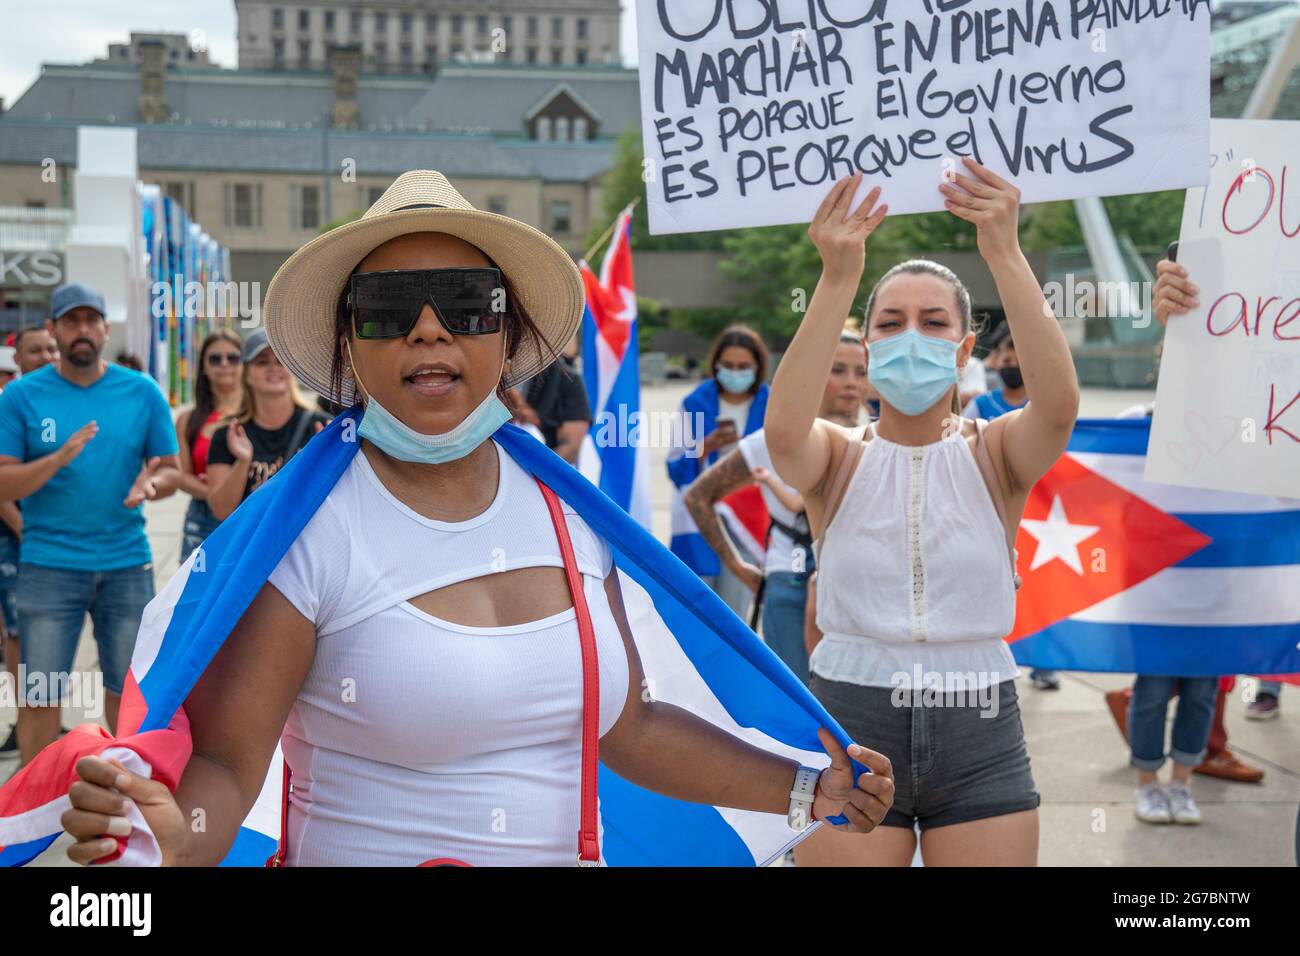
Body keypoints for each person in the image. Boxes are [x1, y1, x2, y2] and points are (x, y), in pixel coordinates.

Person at [56, 170, 893, 866]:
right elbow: (229, 770)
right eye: (388, 307)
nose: (428, 330)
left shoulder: (573, 515)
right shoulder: (305, 537)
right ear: (349, 346)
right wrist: (166, 841)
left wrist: (803, 785)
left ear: (508, 335)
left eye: (466, 303)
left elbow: (630, 727)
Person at [768, 162, 1080, 866]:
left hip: (980, 727)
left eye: (934, 323)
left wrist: (1004, 249)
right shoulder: (836, 459)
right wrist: (838, 275)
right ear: (869, 346)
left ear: (964, 349)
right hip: (850, 719)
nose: (912, 335)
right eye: (891, 323)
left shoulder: (997, 453)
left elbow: (1058, 407)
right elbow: (784, 432)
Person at [0, 282, 181, 764]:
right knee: (41, 694)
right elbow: (5, 484)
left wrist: (151, 487)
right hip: (47, 568)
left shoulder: (140, 392)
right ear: (53, 329)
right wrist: (56, 459)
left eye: (90, 320)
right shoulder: (21, 397)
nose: (82, 330)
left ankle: (122, 802)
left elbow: (169, 467)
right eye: (70, 321)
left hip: (126, 566)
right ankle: (33, 815)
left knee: (128, 693)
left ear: (104, 328)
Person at [683, 324, 868, 685]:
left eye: (860, 372)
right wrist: (736, 564)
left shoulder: (879, 440)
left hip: (863, 588)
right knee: (801, 705)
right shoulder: (774, 442)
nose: (850, 382)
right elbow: (697, 496)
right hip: (791, 583)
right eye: (836, 370)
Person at [963, 324, 1058, 691]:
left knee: (1043, 589)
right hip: (998, 515)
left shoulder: (1046, 412)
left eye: (1021, 354)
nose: (1013, 360)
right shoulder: (981, 407)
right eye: (1007, 353)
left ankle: (1044, 662)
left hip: (1045, 515)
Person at [667, 325, 771, 617]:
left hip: (749, 517)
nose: (735, 373)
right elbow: (675, 468)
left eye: (743, 367)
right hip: (700, 516)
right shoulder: (694, 403)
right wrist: (706, 446)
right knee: (696, 606)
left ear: (757, 367)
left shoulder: (771, 404)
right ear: (715, 365)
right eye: (728, 366)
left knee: (735, 608)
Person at [0, 327, 57, 756]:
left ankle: (42, 720)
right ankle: (26, 724)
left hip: (57, 538)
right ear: (17, 359)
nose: (45, 356)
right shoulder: (11, 404)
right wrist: (28, 530)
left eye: (50, 348)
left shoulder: (65, 401)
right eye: (35, 350)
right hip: (17, 536)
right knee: (21, 634)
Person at [204, 329, 330, 521]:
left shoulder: (322, 428)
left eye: (281, 361)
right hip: (254, 546)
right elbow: (222, 511)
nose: (273, 367)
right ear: (246, 374)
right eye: (262, 362)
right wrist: (242, 461)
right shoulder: (228, 434)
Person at [174, 331, 243, 561]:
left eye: (232, 358)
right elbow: (181, 475)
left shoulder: (255, 415)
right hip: (202, 518)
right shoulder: (187, 420)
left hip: (248, 516)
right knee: (195, 593)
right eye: (215, 358)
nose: (224, 364)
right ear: (204, 366)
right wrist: (218, 496)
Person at [511, 334, 591, 464]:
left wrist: (534, 471)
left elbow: (570, 448)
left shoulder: (568, 379)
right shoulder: (497, 372)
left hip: (539, 470)